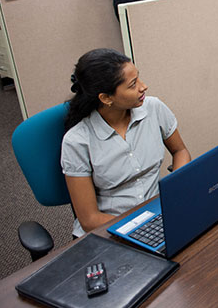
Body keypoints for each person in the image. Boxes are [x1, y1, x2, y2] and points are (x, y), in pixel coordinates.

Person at [61, 48, 192, 237]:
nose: (143, 86)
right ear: (106, 98)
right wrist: (144, 225)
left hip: (158, 215)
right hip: (110, 230)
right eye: (132, 85)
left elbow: (180, 151)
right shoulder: (77, 141)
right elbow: (89, 220)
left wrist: (176, 188)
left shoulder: (153, 108)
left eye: (138, 77)